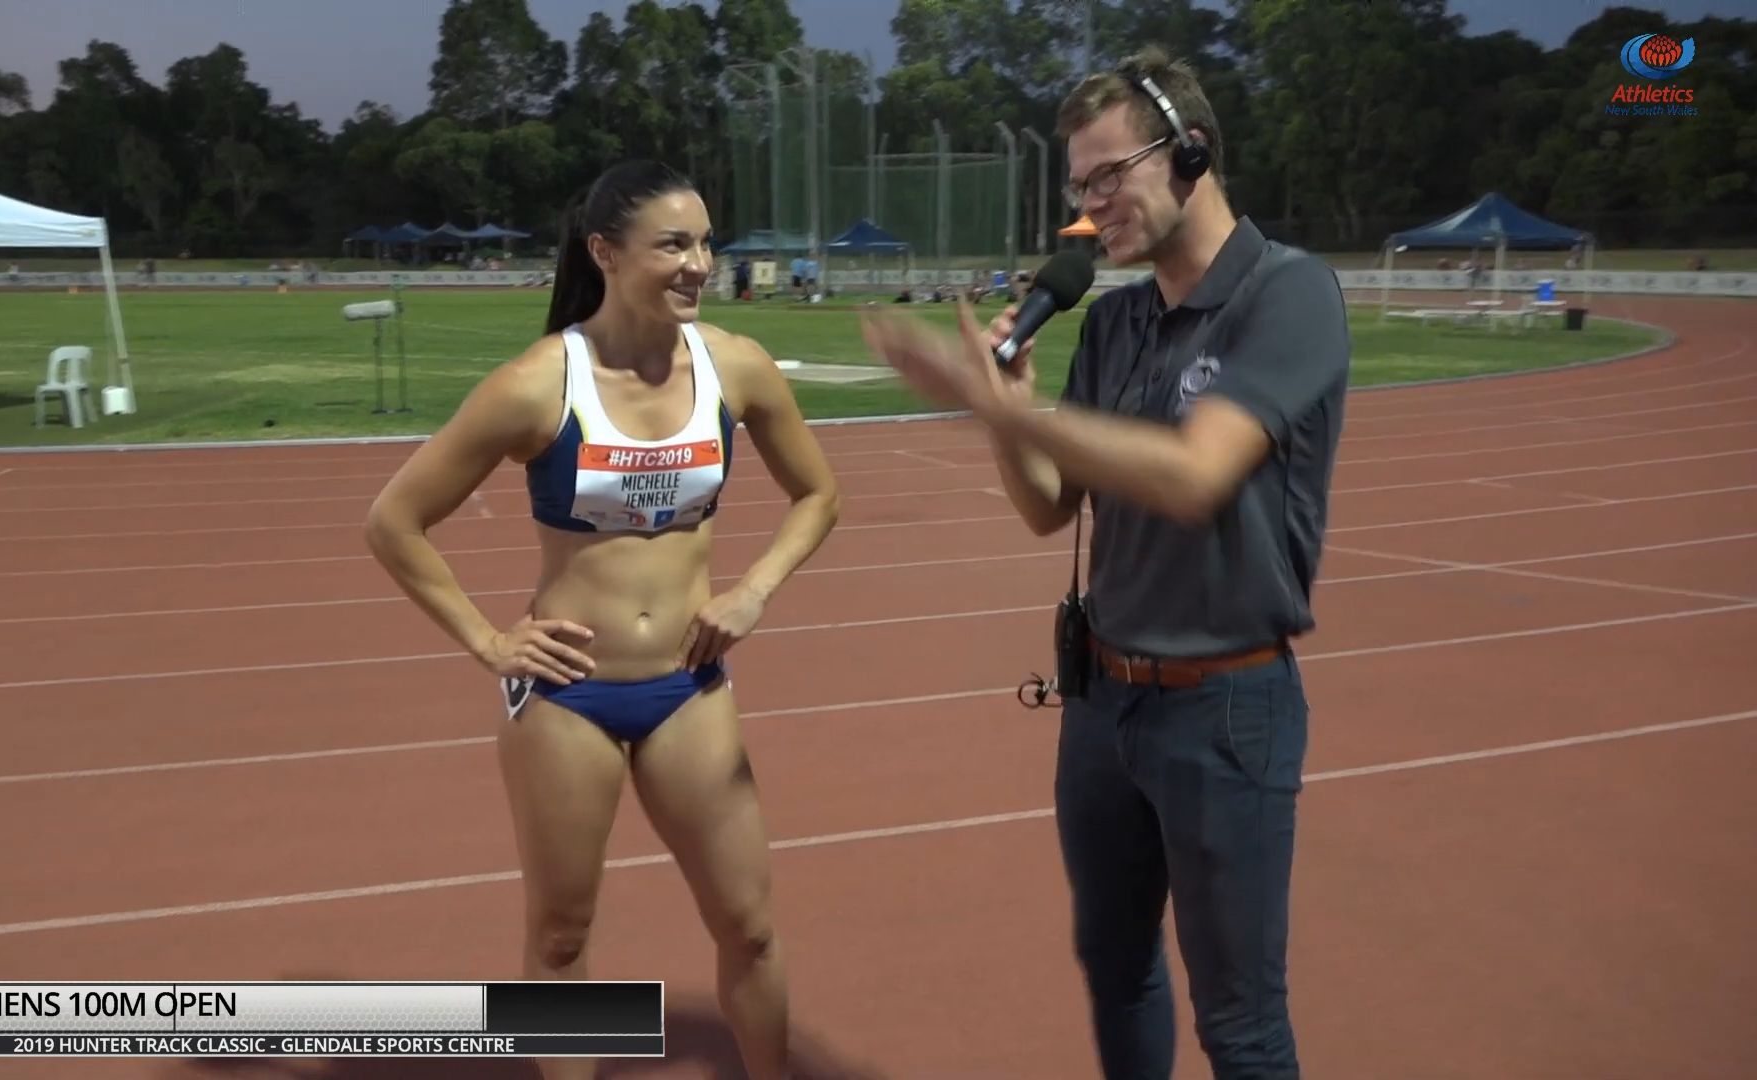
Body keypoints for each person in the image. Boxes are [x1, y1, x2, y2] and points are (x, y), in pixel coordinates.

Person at [858, 45, 1349, 1080]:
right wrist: (1010, 413)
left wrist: (993, 408)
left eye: (1109, 175)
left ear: (1192, 152)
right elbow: (1049, 509)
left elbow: (1195, 476)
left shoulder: (1290, 294)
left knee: (1240, 1023)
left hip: (1225, 708)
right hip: (1102, 703)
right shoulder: (1115, 320)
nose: (1089, 209)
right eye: (1078, 187)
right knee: (1115, 968)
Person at [364, 159, 840, 1080]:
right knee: (561, 935)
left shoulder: (735, 367)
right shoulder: (539, 384)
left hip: (690, 690)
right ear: (605, 253)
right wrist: (487, 640)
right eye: (673, 244)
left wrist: (755, 589)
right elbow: (394, 521)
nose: (699, 263)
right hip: (567, 699)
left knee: (749, 927)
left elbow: (818, 494)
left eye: (706, 243)